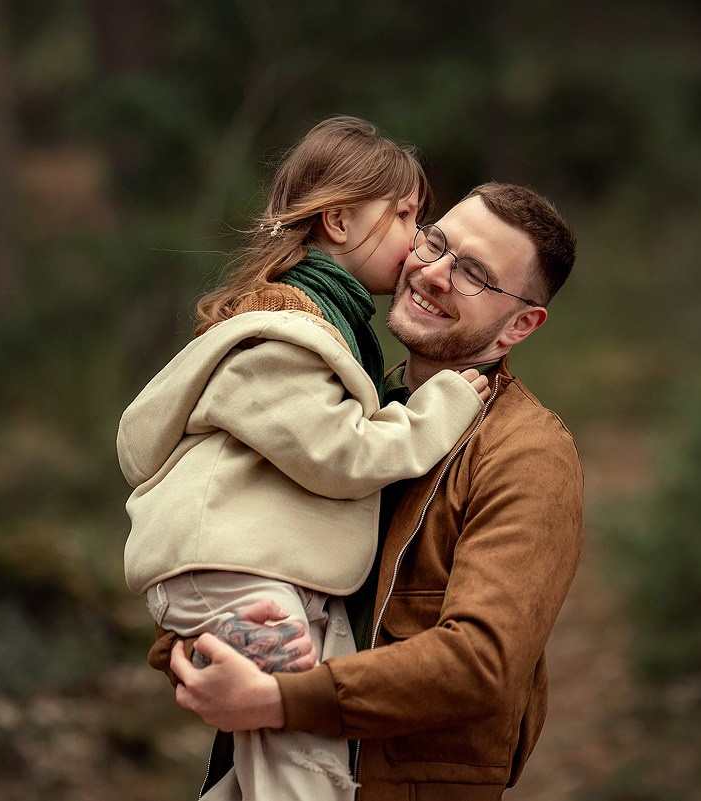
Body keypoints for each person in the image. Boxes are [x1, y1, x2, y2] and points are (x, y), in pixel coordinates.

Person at [167, 181, 584, 801]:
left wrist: (281, 699)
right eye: (436, 242)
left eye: (474, 273)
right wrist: (203, 643)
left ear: (520, 324)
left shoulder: (526, 455)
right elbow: (225, 540)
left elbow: (480, 665)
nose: (435, 273)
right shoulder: (340, 415)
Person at [117, 116, 492, 801]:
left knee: (288, 754)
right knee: (304, 767)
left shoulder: (329, 327)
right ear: (340, 222)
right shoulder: (286, 336)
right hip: (238, 570)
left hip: (267, 575)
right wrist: (444, 406)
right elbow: (342, 453)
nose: (417, 241)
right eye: (406, 215)